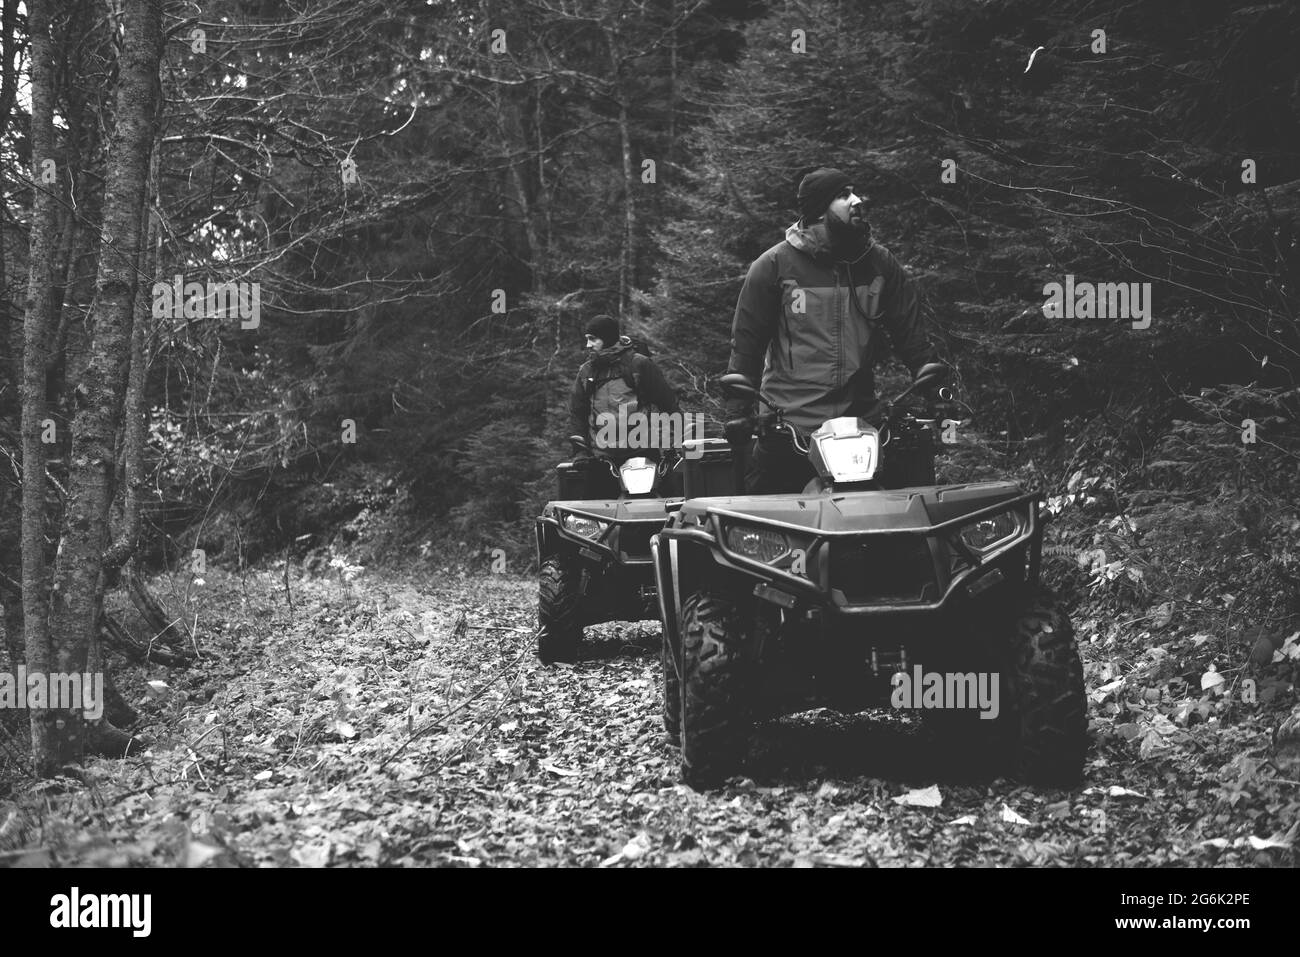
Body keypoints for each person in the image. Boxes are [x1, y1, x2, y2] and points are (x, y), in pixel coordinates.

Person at [723, 167, 941, 493]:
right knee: (758, 522)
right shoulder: (772, 267)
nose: (857, 200)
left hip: (863, 424)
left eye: (853, 192)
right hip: (790, 426)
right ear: (819, 211)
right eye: (843, 195)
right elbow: (747, 345)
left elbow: (910, 333)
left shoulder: (879, 263)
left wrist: (934, 386)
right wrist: (738, 412)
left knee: (912, 513)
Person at [567, 314, 680, 497]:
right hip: (601, 456)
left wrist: (676, 444)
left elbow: (668, 404)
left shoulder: (639, 365)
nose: (588, 345)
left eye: (593, 339)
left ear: (608, 338)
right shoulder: (586, 371)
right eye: (587, 339)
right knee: (595, 516)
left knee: (647, 511)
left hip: (641, 452)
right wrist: (580, 451)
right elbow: (577, 413)